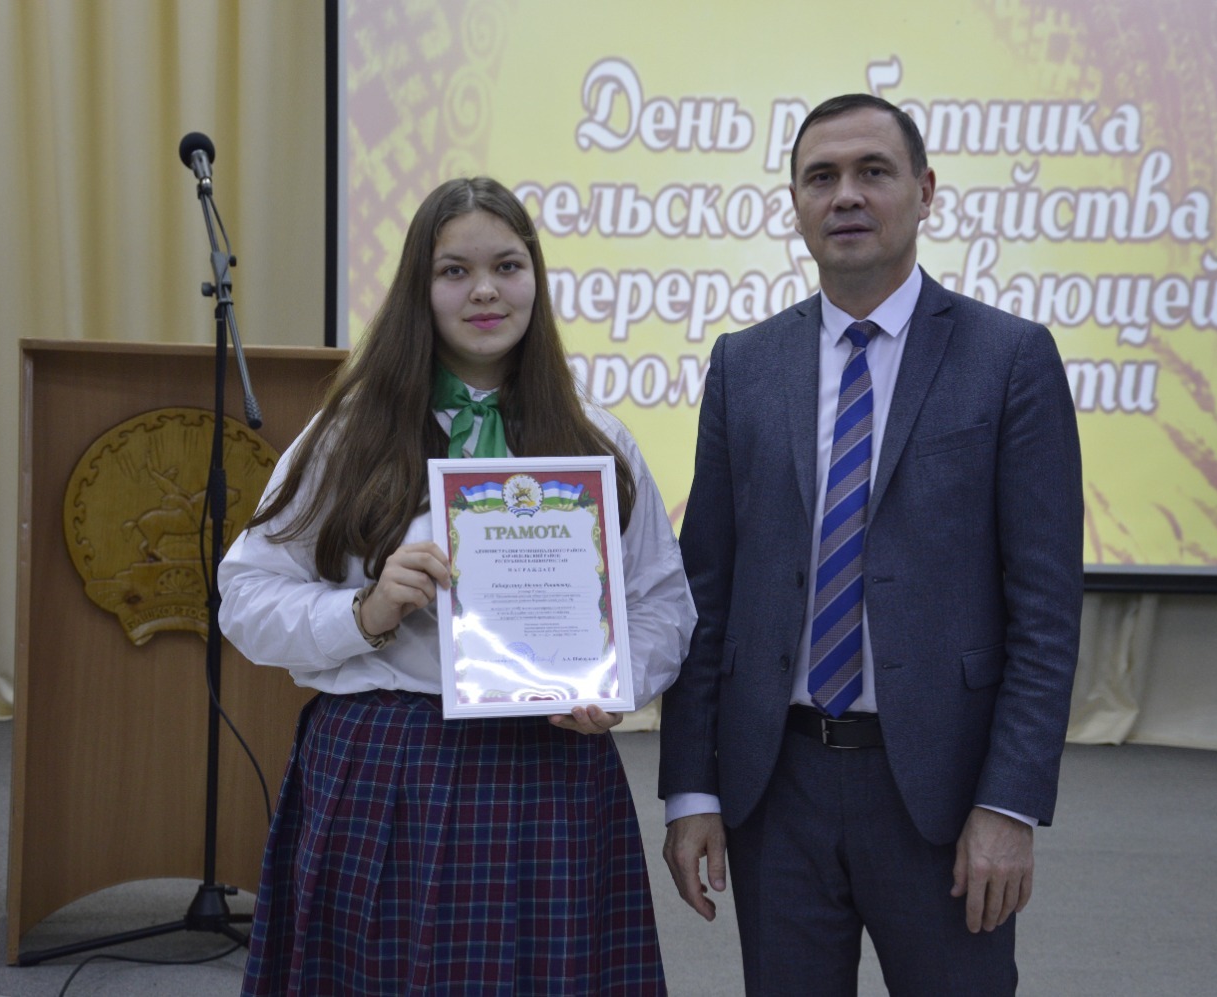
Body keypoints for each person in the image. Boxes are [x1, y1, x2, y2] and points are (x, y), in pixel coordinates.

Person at [218, 176, 696, 995]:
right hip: (389, 763)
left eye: (507, 266)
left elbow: (662, 605)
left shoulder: (596, 441)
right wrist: (365, 611)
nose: (484, 290)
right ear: (420, 286)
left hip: (552, 762)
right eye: (454, 271)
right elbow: (246, 597)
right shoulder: (350, 434)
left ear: (535, 280)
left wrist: (613, 682)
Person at [657, 94, 1084, 995]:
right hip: (777, 787)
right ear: (795, 205)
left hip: (941, 791)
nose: (846, 195)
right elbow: (708, 591)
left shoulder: (1009, 358)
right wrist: (691, 789)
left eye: (872, 172)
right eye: (821, 177)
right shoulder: (744, 365)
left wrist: (1009, 803)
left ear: (924, 192)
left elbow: (1046, 612)